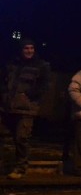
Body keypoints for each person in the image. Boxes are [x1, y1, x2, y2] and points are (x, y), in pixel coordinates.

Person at [1, 38, 51, 180]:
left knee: (21, 138)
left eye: (31, 48)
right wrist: (4, 93)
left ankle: (21, 168)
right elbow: (4, 80)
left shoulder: (41, 66)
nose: (29, 51)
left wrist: (29, 95)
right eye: (26, 48)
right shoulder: (12, 64)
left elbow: (45, 85)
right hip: (7, 107)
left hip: (26, 109)